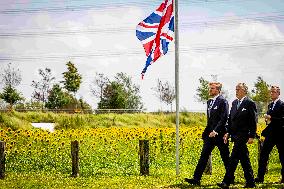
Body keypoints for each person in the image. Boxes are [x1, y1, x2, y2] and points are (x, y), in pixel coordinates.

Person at [185, 82, 230, 186]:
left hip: (220, 135)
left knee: (225, 158)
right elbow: (210, 120)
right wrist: (206, 133)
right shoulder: (209, 102)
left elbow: (224, 118)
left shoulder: (223, 101)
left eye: (212, 88)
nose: (210, 90)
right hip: (210, 135)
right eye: (210, 88)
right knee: (204, 156)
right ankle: (196, 179)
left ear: (218, 90)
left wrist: (216, 131)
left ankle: (230, 178)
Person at [218, 83, 257, 189]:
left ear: (244, 90)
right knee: (244, 159)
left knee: (233, 158)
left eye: (238, 89)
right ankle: (251, 182)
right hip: (234, 135)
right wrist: (227, 133)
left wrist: (252, 135)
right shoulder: (234, 102)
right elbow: (231, 119)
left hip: (243, 135)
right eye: (235, 89)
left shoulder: (250, 103)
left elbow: (254, 121)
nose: (236, 91)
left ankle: (226, 182)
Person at [255, 85, 284, 184]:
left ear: (278, 93)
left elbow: (282, 120)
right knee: (263, 155)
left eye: (274, 92)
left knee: (282, 157)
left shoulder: (282, 105)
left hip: (280, 135)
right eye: (271, 92)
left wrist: (271, 118)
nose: (272, 93)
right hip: (270, 135)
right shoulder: (270, 105)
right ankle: (260, 177)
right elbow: (269, 121)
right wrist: (267, 121)